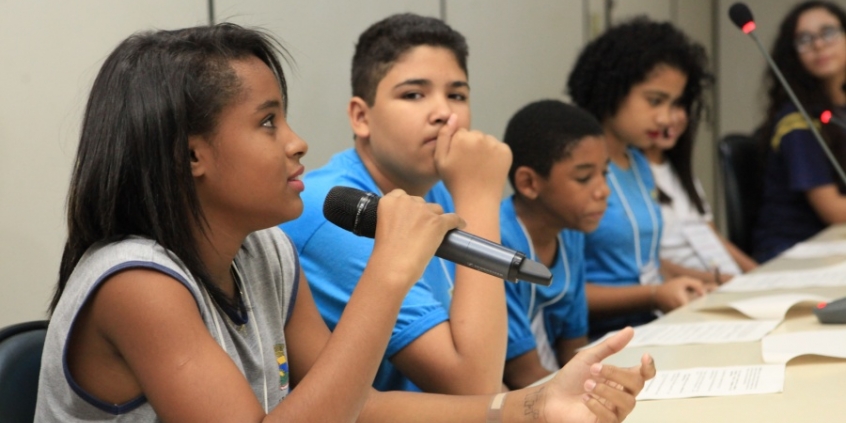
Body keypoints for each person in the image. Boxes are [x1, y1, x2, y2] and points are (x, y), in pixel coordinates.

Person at [35, 23, 655, 422]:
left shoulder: (266, 253)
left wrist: (531, 404)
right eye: (268, 122)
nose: (298, 142)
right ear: (190, 153)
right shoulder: (136, 283)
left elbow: (358, 405)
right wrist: (388, 272)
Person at [282, 13, 512, 394]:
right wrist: (480, 197)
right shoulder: (333, 211)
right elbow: (472, 386)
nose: (444, 113)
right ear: (361, 117)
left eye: (457, 95)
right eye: (414, 95)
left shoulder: (435, 188)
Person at [567, 18, 711, 340]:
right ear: (612, 88)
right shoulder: (575, 169)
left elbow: (641, 258)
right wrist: (654, 295)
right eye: (654, 100)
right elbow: (562, 286)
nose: (665, 117)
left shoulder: (638, 162)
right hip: (602, 340)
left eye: (674, 103)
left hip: (652, 328)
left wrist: (705, 280)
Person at [499, 100, 610, 389]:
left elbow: (574, 353)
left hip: (551, 386)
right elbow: (522, 376)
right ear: (529, 183)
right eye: (584, 177)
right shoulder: (499, 242)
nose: (603, 190)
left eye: (605, 173)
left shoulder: (569, 232)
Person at [754, 1, 846, 262]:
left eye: (828, 32)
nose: (819, 45)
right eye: (805, 40)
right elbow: (834, 212)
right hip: (794, 253)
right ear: (792, 54)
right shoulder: (797, 121)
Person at [642, 90, 758, 281]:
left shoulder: (676, 169)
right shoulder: (631, 174)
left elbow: (712, 236)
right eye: (657, 103)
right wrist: (717, 279)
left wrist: (758, 273)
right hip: (690, 288)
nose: (674, 116)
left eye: (680, 105)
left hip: (720, 281)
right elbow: (648, 262)